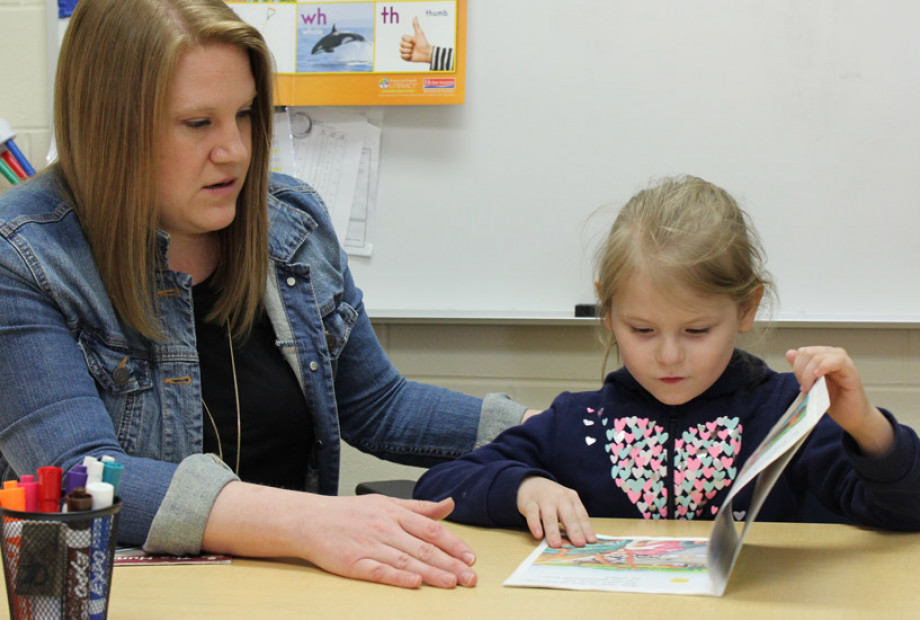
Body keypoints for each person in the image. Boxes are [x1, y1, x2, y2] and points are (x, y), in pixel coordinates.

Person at [0, 0, 536, 590]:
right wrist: (312, 523)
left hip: (287, 595)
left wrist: (550, 428)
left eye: (246, 114)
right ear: (110, 128)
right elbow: (82, 473)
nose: (235, 150)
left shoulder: (290, 220)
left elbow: (380, 406)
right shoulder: (23, 256)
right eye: (198, 123)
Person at [414, 175, 920, 548]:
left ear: (746, 307)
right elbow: (440, 486)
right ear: (608, 312)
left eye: (696, 330)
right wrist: (525, 487)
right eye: (641, 330)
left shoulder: (789, 413)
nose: (668, 355)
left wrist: (866, 427)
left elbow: (914, 513)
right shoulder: (579, 421)